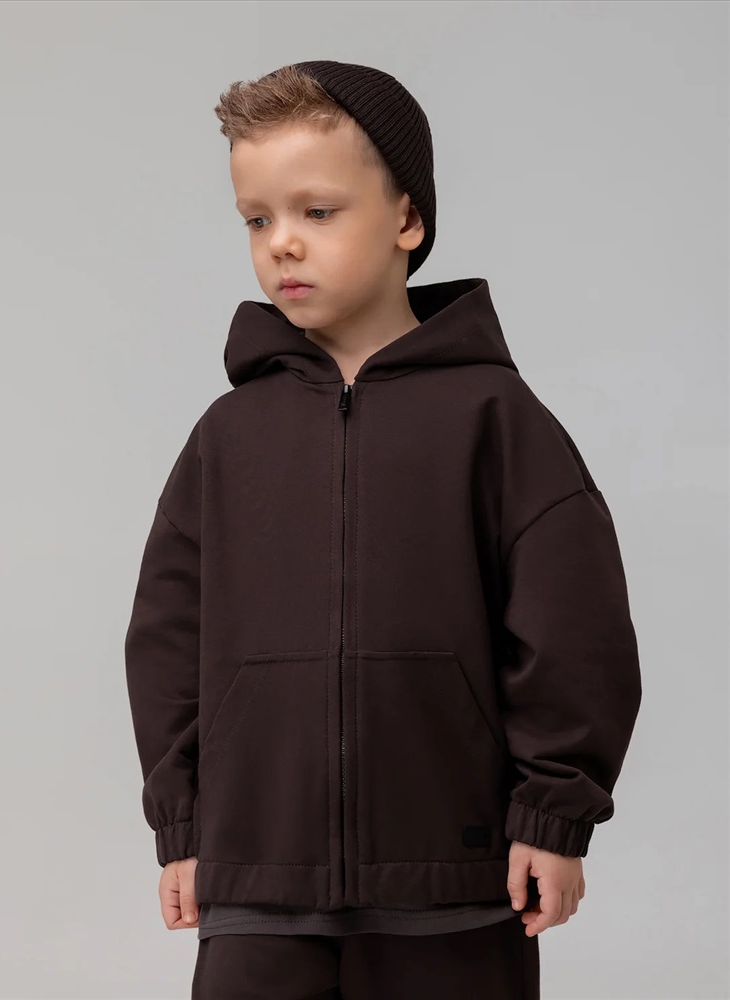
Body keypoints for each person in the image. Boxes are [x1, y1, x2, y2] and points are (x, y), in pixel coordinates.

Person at [124, 59, 642, 1000]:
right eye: (256, 219)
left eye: (317, 211)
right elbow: (167, 640)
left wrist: (553, 815)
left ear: (407, 219)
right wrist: (184, 827)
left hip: (455, 882)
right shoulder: (227, 437)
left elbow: (575, 627)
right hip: (259, 881)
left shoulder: (497, 419)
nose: (283, 242)